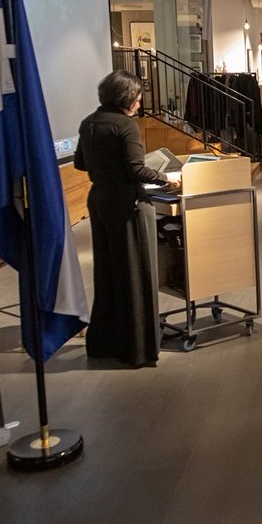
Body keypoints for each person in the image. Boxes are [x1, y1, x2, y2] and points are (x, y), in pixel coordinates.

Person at [74, 70, 177, 367]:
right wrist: (166, 179)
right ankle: (137, 348)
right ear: (127, 97)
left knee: (107, 272)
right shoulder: (126, 125)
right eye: (138, 97)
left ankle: (105, 344)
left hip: (99, 199)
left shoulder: (88, 122)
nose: (140, 102)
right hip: (127, 204)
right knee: (135, 272)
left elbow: (80, 163)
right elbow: (136, 169)